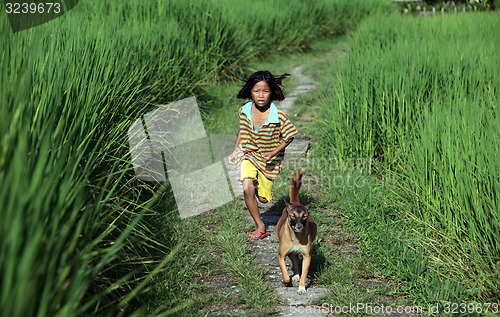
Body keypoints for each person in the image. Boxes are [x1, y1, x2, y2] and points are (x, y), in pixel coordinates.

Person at [228, 70, 298, 240]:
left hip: (269, 161)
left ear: (272, 92)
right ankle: (260, 225)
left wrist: (272, 153)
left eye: (265, 91)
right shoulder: (244, 110)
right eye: (256, 91)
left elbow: (290, 135)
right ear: (250, 92)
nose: (260, 96)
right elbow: (242, 131)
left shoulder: (278, 116)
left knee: (264, 199)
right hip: (249, 154)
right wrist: (236, 149)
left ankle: (261, 188)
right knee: (247, 187)